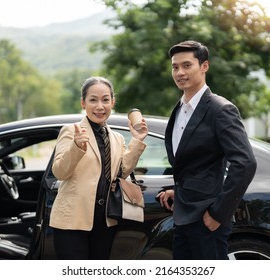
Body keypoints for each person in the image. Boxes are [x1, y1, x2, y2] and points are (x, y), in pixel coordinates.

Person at [156, 40, 257, 260]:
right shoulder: (180, 109)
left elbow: (245, 163)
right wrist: (180, 192)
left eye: (186, 65)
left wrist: (218, 213)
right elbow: (195, 164)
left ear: (204, 66)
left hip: (207, 221)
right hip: (184, 216)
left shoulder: (221, 109)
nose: (180, 72)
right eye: (175, 67)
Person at [49, 76, 148, 260]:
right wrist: (76, 148)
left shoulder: (117, 138)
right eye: (93, 100)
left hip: (105, 221)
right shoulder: (71, 131)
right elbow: (60, 172)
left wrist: (137, 140)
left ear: (112, 102)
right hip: (72, 221)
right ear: (83, 103)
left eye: (105, 100)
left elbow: (121, 173)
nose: (100, 106)